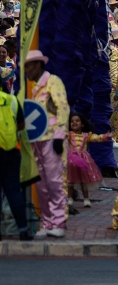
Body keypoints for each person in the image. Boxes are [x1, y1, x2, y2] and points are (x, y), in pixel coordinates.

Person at [25, 50, 70, 239]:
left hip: (52, 139)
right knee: (41, 185)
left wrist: (60, 135)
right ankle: (47, 222)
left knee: (55, 182)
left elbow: (63, 107)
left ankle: (58, 221)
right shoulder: (34, 88)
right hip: (37, 141)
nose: (26, 71)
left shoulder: (53, 81)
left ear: (37, 65)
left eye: (28, 66)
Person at [0, 88, 31, 240]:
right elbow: (21, 125)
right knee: (14, 191)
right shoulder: (12, 100)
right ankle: (23, 230)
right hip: (10, 151)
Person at [65, 113, 112, 207]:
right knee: (70, 181)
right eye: (72, 121)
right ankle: (70, 199)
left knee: (83, 181)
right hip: (71, 161)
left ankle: (86, 199)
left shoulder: (87, 136)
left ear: (82, 124)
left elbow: (97, 138)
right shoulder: (69, 135)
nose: (74, 122)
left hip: (83, 161)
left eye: (77, 121)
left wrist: (106, 136)